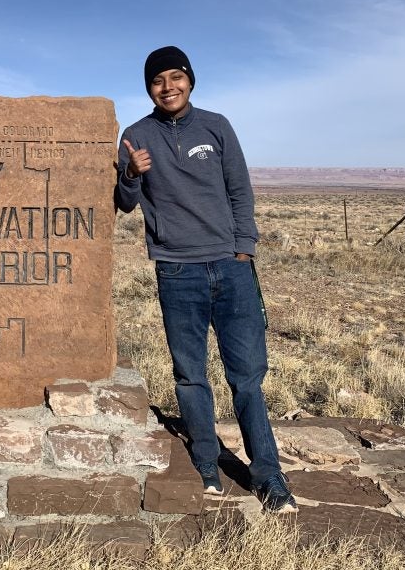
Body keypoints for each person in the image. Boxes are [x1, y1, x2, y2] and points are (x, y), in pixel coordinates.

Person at [115, 45, 296, 513]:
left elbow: (240, 189)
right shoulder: (135, 136)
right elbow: (125, 202)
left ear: (190, 81)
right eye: (158, 81)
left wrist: (244, 249)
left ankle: (269, 477)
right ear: (148, 88)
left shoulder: (216, 126)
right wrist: (132, 175)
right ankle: (207, 464)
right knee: (190, 375)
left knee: (248, 378)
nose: (168, 87)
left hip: (230, 267)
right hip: (176, 269)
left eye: (176, 77)